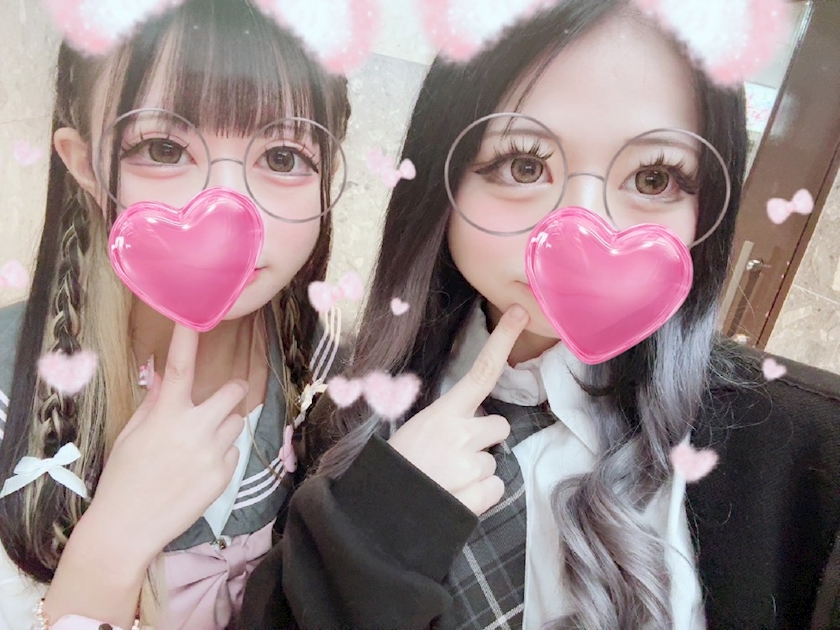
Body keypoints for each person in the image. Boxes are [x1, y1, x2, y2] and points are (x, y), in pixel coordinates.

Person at [240, 0, 840, 628]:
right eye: (523, 165)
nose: (580, 232)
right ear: (444, 181)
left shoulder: (809, 461)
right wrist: (369, 544)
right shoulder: (344, 420)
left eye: (654, 178)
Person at [0, 1, 349, 628]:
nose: (227, 211)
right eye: (163, 148)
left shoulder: (326, 367)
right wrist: (112, 543)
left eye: (282, 158)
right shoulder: (9, 386)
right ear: (84, 164)